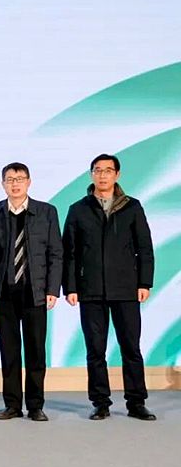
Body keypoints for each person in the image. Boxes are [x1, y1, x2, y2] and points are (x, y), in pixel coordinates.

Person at [62, 154, 156, 421]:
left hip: (126, 289)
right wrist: (70, 287)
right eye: (97, 170)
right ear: (91, 174)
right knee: (95, 350)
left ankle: (136, 402)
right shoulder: (78, 209)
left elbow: (144, 248)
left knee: (131, 348)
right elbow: (70, 253)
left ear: (117, 175)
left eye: (108, 170)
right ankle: (100, 402)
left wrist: (144, 282)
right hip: (90, 290)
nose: (102, 175)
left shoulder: (132, 207)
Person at [0, 162, 62, 421]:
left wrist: (52, 289)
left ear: (29, 182)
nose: (15, 184)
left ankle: (36, 405)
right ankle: (12, 405)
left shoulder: (46, 212)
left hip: (34, 291)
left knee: (36, 351)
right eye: (9, 179)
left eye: (19, 179)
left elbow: (56, 253)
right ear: (2, 184)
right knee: (9, 351)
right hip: (3, 292)